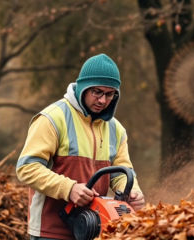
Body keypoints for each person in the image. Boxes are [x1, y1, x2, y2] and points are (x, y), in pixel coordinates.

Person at [16, 53, 145, 240]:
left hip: (93, 230)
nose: (102, 100)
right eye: (97, 92)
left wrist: (132, 192)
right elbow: (26, 168)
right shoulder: (53, 118)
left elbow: (121, 174)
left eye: (109, 94)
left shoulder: (116, 130)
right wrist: (69, 188)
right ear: (83, 88)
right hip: (51, 231)